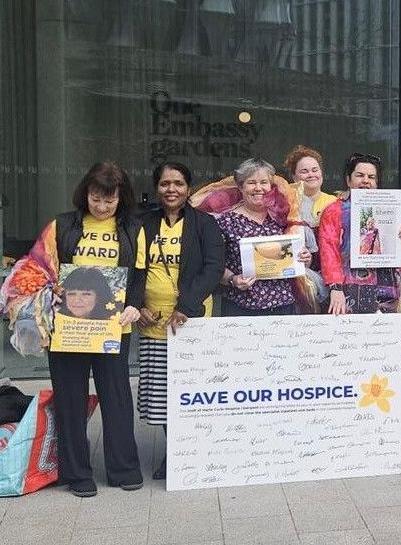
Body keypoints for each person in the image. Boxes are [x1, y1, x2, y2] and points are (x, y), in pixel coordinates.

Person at [48, 162, 146, 496]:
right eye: (95, 199)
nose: (101, 207)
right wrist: (53, 291)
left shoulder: (133, 228)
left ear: (122, 198)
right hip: (68, 326)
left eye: (109, 200)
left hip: (113, 325)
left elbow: (139, 273)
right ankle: (76, 473)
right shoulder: (62, 225)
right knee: (70, 398)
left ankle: (123, 468)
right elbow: (42, 269)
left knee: (116, 397)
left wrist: (134, 304)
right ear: (85, 194)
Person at [136, 162, 225, 480]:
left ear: (189, 187)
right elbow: (132, 269)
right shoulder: (142, 223)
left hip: (191, 320)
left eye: (177, 183)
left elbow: (213, 268)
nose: (171, 189)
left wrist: (186, 306)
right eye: (164, 183)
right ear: (157, 187)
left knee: (189, 389)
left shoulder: (205, 225)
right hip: (153, 320)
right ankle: (174, 452)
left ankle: (190, 453)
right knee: (161, 393)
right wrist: (136, 305)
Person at [216, 158, 312, 316]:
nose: (258, 188)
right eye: (251, 182)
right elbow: (213, 264)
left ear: (271, 186)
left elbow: (300, 258)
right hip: (241, 307)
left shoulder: (283, 216)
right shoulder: (225, 221)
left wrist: (305, 258)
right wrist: (233, 279)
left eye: (264, 182)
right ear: (240, 186)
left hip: (283, 306)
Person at [318, 152, 401, 315]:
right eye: (360, 175)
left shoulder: (389, 207)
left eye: (371, 177)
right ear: (348, 180)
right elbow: (328, 251)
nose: (366, 181)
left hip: (387, 290)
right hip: (348, 288)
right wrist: (335, 287)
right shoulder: (334, 211)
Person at [283, 145, 336, 269]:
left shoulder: (334, 202)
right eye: (304, 171)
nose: (311, 174)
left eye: (315, 170)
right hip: (297, 267)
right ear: (294, 177)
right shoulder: (285, 203)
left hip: (330, 268)